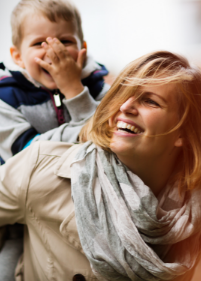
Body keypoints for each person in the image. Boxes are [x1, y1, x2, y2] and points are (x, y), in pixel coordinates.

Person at [1, 50, 201, 281]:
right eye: (122, 94)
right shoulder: (42, 167)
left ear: (183, 133)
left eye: (150, 101)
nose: (124, 106)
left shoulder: (193, 216)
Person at [0, 0, 109, 279]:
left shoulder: (101, 90)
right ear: (18, 56)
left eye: (64, 40)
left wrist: (76, 90)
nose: (53, 50)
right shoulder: (6, 99)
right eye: (39, 43)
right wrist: (83, 124)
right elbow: (30, 156)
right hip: (17, 212)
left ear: (82, 49)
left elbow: (109, 140)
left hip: (82, 205)